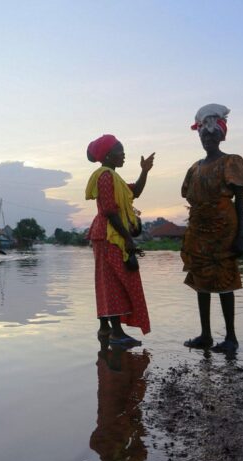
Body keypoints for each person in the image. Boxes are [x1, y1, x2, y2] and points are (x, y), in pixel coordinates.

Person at [181, 104, 243, 353]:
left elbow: (240, 199)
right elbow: (189, 196)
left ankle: (231, 337)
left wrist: (241, 235)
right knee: (201, 281)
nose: (207, 138)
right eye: (203, 135)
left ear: (221, 135)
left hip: (224, 229)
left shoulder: (232, 161)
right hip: (198, 230)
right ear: (199, 137)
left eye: (212, 134)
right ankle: (206, 335)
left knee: (224, 281)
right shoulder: (194, 168)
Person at [85, 134, 153, 346]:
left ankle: (105, 329)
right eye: (119, 151)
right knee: (113, 281)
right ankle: (116, 333)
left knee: (107, 281)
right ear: (107, 155)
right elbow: (109, 211)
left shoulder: (114, 177)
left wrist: (144, 171)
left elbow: (136, 192)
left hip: (107, 235)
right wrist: (128, 239)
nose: (123, 155)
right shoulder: (105, 176)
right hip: (109, 235)